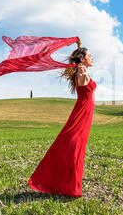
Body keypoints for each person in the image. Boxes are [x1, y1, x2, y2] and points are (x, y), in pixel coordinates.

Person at [27, 42, 96, 197]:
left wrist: (79, 45)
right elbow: (82, 76)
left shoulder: (81, 68)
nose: (92, 57)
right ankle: (70, 187)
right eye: (89, 55)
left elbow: (81, 67)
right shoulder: (81, 71)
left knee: (76, 145)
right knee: (75, 146)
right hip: (81, 114)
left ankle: (67, 184)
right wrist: (83, 73)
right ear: (82, 59)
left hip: (84, 113)